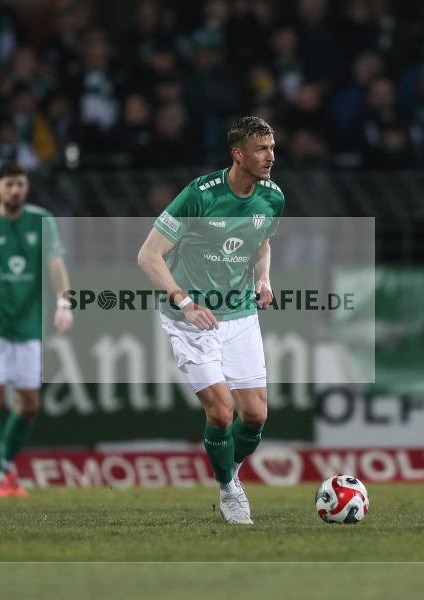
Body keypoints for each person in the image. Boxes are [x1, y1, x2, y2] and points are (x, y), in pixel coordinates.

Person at [137, 116, 284, 525]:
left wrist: (264, 277)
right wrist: (184, 302)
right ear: (238, 154)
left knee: (255, 416)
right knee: (221, 414)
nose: (271, 156)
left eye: (272, 147)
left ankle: (227, 469)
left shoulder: (272, 198)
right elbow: (148, 256)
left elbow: (262, 243)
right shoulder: (199, 196)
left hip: (240, 314)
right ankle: (228, 488)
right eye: (261, 149)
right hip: (191, 319)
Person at [0, 160, 72, 498]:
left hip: (28, 325)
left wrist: (64, 303)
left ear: (26, 187)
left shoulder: (42, 221)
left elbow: (55, 265)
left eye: (20, 183)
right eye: (9, 184)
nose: (15, 190)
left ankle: (4, 463)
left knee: (30, 404)